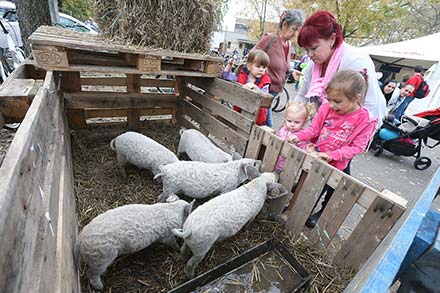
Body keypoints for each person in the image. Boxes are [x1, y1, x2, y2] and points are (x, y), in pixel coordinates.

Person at [290, 70, 377, 227]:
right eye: (329, 99)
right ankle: (298, 208)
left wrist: (331, 155)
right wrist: (300, 136)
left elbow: (357, 147)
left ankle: (319, 212)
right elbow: (314, 130)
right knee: (309, 184)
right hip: (317, 155)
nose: (331, 105)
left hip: (338, 162)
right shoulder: (326, 108)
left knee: (330, 188)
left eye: (337, 101)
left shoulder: (366, 120)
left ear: (356, 98)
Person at [293, 11, 387, 127]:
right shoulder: (312, 66)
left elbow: (368, 104)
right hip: (327, 125)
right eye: (306, 50)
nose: (310, 54)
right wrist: (294, 116)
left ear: (332, 39)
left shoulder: (355, 61)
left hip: (358, 125)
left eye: (314, 48)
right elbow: (302, 96)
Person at [254, 9, 305, 127]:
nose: (295, 33)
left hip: (274, 94)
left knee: (262, 127)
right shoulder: (270, 39)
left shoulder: (288, 44)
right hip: (263, 91)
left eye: (297, 30)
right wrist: (262, 71)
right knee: (268, 127)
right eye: (294, 29)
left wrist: (292, 72)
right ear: (285, 24)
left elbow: (282, 66)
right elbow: (251, 57)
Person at [222, 49, 271, 125]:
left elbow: (265, 97)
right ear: (249, 66)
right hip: (240, 114)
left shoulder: (265, 82)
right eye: (258, 66)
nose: (261, 70)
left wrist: (256, 89)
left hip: (256, 118)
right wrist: (229, 65)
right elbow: (226, 76)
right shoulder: (241, 76)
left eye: (264, 67)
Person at [274, 101, 316, 172]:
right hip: (275, 161)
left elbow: (302, 153)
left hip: (289, 166)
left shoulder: (303, 136)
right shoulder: (283, 130)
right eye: (289, 121)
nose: (292, 124)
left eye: (297, 122)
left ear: (304, 121)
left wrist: (307, 150)